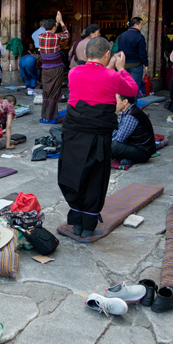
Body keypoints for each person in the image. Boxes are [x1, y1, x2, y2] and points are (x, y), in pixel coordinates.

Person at [57, 37, 137, 238]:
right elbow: (132, 90)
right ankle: (88, 225)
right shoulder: (113, 76)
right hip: (98, 136)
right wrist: (120, 68)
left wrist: (109, 67)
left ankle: (75, 221)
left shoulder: (74, 72)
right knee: (95, 177)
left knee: (73, 173)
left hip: (74, 133)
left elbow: (94, 74)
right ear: (108, 55)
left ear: (85, 55)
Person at [38, 12, 70, 123]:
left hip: (45, 68)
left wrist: (55, 23)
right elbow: (67, 34)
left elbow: (51, 30)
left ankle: (45, 115)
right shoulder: (56, 37)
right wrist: (61, 22)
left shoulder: (40, 36)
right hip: (56, 68)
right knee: (54, 92)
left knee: (47, 92)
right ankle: (50, 116)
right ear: (54, 28)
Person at [112, 93, 156, 165]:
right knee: (105, 141)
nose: (114, 102)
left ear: (125, 102)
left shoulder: (131, 115)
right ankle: (128, 158)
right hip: (132, 146)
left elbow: (119, 138)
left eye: (116, 100)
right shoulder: (126, 112)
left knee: (110, 145)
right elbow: (117, 130)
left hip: (142, 152)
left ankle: (129, 157)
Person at [117, 17, 149, 96]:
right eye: (141, 24)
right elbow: (142, 53)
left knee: (124, 87)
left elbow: (120, 50)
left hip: (124, 65)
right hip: (136, 65)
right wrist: (146, 64)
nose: (142, 26)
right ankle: (132, 106)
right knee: (134, 88)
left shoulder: (121, 36)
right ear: (135, 24)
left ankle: (124, 105)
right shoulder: (139, 36)